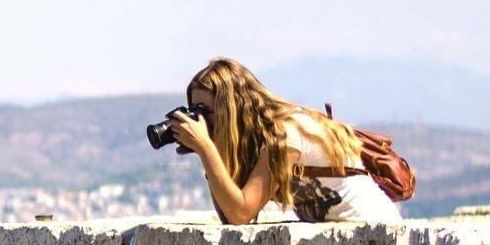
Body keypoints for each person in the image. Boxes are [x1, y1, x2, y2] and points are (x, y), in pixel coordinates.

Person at [168, 57, 403, 225]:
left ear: (230, 109)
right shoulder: (259, 140)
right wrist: (207, 151)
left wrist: (207, 148)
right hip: (344, 235)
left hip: (374, 232)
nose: (199, 118)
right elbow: (230, 214)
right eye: (193, 110)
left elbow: (240, 213)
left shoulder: (284, 135)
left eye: (205, 110)